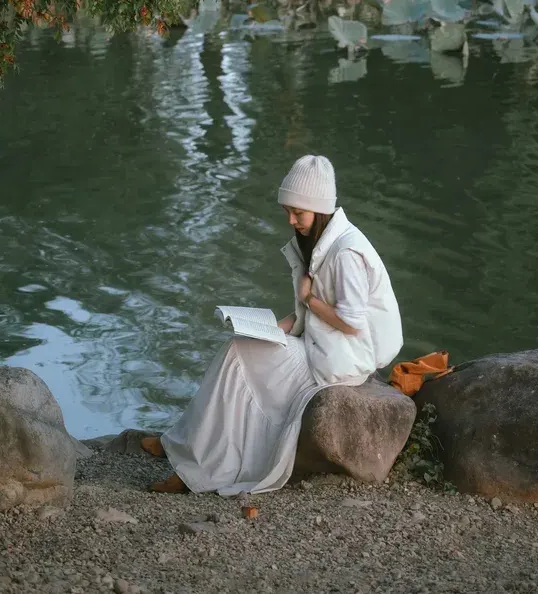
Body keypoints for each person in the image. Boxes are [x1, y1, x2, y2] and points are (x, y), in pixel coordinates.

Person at [141, 154, 403, 495]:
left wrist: (309, 300)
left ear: (320, 209)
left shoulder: (346, 253)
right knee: (237, 348)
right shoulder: (321, 242)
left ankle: (194, 470)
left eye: (299, 212)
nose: (291, 219)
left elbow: (351, 324)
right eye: (287, 211)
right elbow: (309, 314)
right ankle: (181, 441)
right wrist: (272, 327)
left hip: (342, 359)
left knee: (242, 363)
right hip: (321, 344)